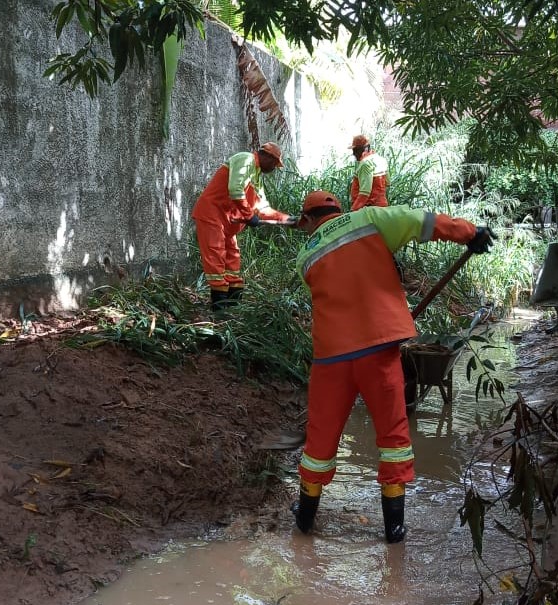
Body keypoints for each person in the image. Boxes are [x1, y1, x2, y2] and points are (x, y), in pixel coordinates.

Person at [291, 191, 496, 543]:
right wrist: (468, 232)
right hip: (377, 350)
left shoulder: (305, 255)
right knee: (393, 435)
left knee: (321, 437)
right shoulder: (369, 219)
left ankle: (306, 519)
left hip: (331, 358)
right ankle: (394, 529)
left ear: (308, 220)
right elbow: (423, 221)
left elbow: (341, 287)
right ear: (338, 208)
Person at [192, 142, 293, 310]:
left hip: (228, 221)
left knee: (233, 257)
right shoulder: (245, 159)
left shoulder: (256, 175)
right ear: (267, 156)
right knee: (215, 257)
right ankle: (220, 311)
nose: (274, 168)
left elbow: (262, 207)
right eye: (275, 164)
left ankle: (233, 307)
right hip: (212, 214)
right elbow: (235, 189)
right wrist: (248, 215)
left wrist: (286, 219)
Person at [349, 135, 389, 210]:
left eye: (355, 150)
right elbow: (387, 183)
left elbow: (365, 193)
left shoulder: (365, 164)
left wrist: (353, 210)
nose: (353, 154)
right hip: (382, 207)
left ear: (365, 150)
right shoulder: (381, 160)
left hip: (369, 209)